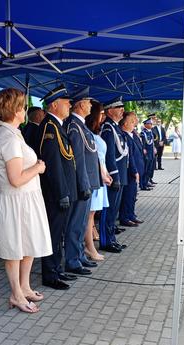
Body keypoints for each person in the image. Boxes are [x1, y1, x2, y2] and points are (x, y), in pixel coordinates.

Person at [0, 88, 51, 312]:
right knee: (15, 248)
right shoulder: (7, 137)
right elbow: (15, 179)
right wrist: (38, 167)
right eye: (23, 106)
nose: (26, 110)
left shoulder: (14, 132)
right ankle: (16, 293)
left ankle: (25, 286)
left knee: (28, 244)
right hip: (16, 201)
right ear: (16, 110)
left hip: (26, 200)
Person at [36, 85, 77, 290]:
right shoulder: (49, 127)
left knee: (58, 233)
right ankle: (50, 275)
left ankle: (57, 270)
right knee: (52, 234)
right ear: (54, 104)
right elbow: (52, 164)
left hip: (63, 190)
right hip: (55, 193)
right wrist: (62, 192)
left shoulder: (57, 125)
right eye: (66, 101)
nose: (70, 104)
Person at [64, 89, 98, 275]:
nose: (91, 105)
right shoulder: (74, 126)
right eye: (88, 102)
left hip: (86, 182)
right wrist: (84, 183)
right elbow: (78, 158)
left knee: (82, 221)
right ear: (80, 104)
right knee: (75, 223)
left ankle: (79, 256)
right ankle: (72, 260)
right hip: (80, 184)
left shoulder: (81, 125)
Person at [99, 97, 128, 253]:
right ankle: (105, 241)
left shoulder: (115, 128)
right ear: (110, 110)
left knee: (114, 211)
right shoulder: (108, 129)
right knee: (108, 211)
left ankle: (112, 238)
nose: (122, 110)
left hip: (120, 175)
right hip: (113, 176)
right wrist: (115, 175)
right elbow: (109, 155)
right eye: (118, 107)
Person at [84, 103, 111, 262]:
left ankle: (89, 244)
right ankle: (89, 247)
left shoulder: (95, 131)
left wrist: (106, 173)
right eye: (101, 113)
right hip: (95, 177)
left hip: (101, 175)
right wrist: (103, 174)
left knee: (92, 214)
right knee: (89, 215)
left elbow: (101, 158)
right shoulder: (89, 133)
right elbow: (95, 158)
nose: (103, 116)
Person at [119, 112, 145, 227]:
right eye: (131, 121)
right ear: (124, 124)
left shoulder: (132, 134)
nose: (134, 123)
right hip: (130, 172)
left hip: (136, 170)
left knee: (133, 195)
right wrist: (134, 171)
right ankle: (125, 217)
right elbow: (131, 157)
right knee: (128, 196)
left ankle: (131, 214)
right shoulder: (124, 136)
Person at [140, 117, 156, 190]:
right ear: (145, 124)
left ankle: (146, 183)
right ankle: (143, 185)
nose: (151, 124)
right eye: (150, 123)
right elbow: (143, 143)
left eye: (151, 123)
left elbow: (152, 143)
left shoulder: (150, 132)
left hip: (151, 153)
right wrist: (143, 148)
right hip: (147, 154)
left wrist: (154, 148)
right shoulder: (143, 133)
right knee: (145, 170)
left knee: (149, 169)